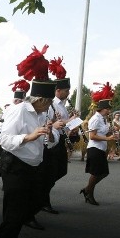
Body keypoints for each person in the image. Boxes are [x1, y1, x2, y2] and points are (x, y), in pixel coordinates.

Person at [0, 75, 58, 238]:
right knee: (14, 212)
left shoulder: (42, 113)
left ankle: (1, 236)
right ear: (42, 100)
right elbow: (4, 140)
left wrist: (50, 134)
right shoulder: (18, 111)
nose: (51, 105)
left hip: (34, 166)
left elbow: (51, 143)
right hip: (16, 167)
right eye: (50, 101)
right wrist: (29, 136)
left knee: (37, 202)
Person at [40, 58, 72, 215]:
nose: (68, 93)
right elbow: (46, 123)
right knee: (51, 173)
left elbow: (58, 122)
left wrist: (70, 124)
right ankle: (43, 199)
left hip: (58, 140)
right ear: (58, 90)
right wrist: (62, 123)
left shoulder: (61, 105)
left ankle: (43, 194)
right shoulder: (52, 104)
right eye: (66, 90)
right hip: (51, 142)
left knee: (60, 171)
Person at [0, 80, 28, 189]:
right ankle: (4, 182)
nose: (21, 103)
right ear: (16, 101)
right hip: (8, 136)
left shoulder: (19, 109)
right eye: (19, 101)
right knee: (9, 161)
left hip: (17, 137)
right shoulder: (10, 109)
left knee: (10, 162)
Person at [81, 83, 116, 206]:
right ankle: (89, 193)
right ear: (102, 108)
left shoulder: (102, 119)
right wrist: (108, 138)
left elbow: (102, 131)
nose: (109, 111)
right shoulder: (95, 119)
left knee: (103, 173)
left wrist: (110, 131)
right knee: (97, 173)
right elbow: (93, 136)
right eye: (107, 109)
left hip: (100, 148)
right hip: (95, 148)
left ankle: (87, 190)